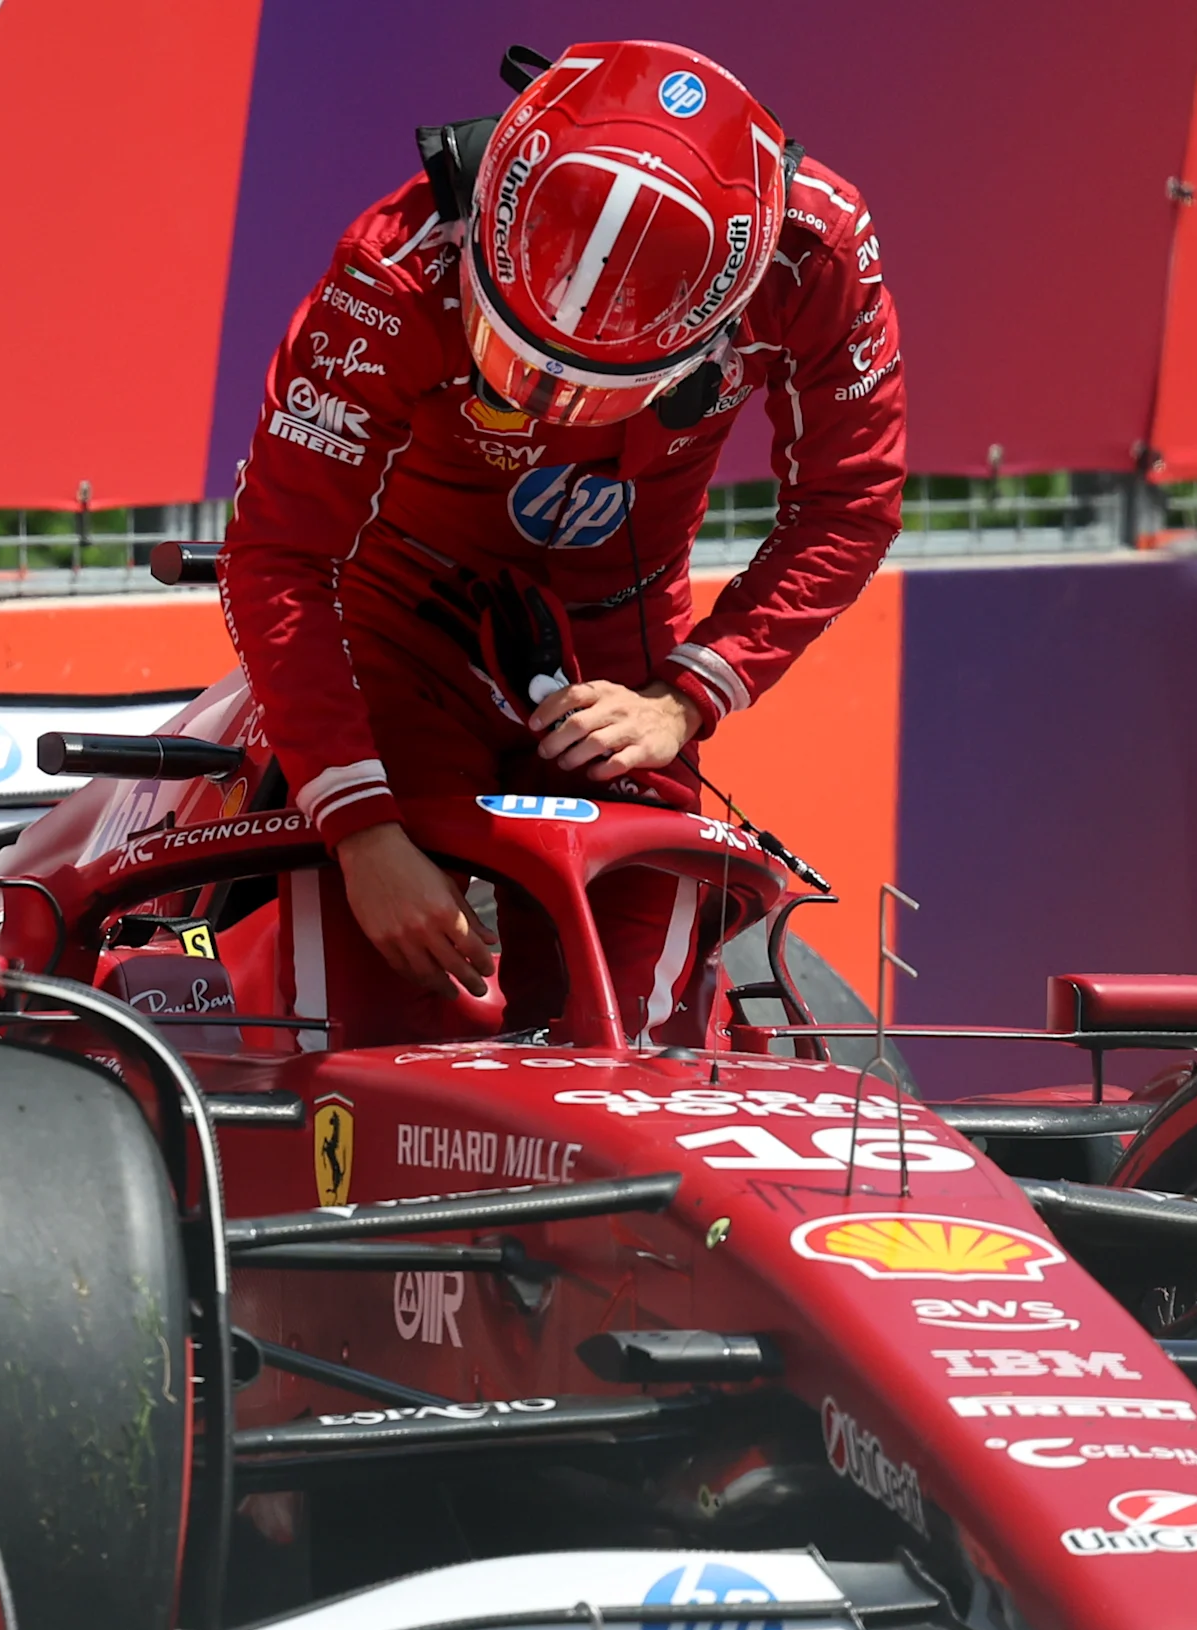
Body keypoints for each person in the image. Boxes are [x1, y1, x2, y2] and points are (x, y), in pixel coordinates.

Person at [216, 39, 905, 1029]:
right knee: (378, 1030)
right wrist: (362, 832)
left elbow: (850, 502)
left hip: (623, 665)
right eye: (519, 357)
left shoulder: (817, 251)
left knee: (633, 1032)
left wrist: (682, 698)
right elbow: (277, 554)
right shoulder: (393, 267)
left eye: (594, 383)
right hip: (399, 641)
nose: (549, 402)